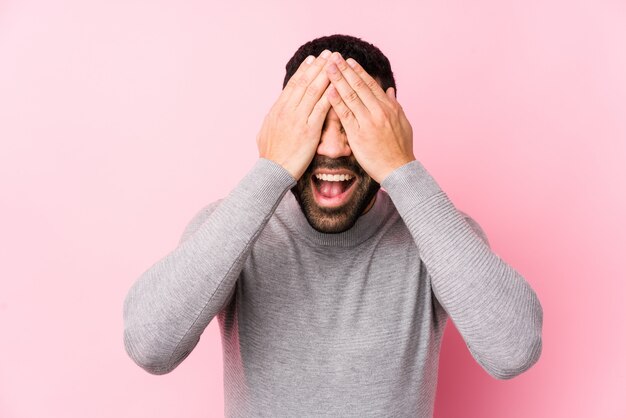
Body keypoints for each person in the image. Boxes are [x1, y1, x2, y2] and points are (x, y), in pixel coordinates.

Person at [123, 34, 543, 418]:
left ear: (390, 127)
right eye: (313, 123)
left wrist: (402, 167)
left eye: (356, 124)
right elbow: (150, 348)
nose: (333, 147)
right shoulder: (231, 227)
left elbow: (513, 351)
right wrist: (271, 168)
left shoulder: (436, 234)